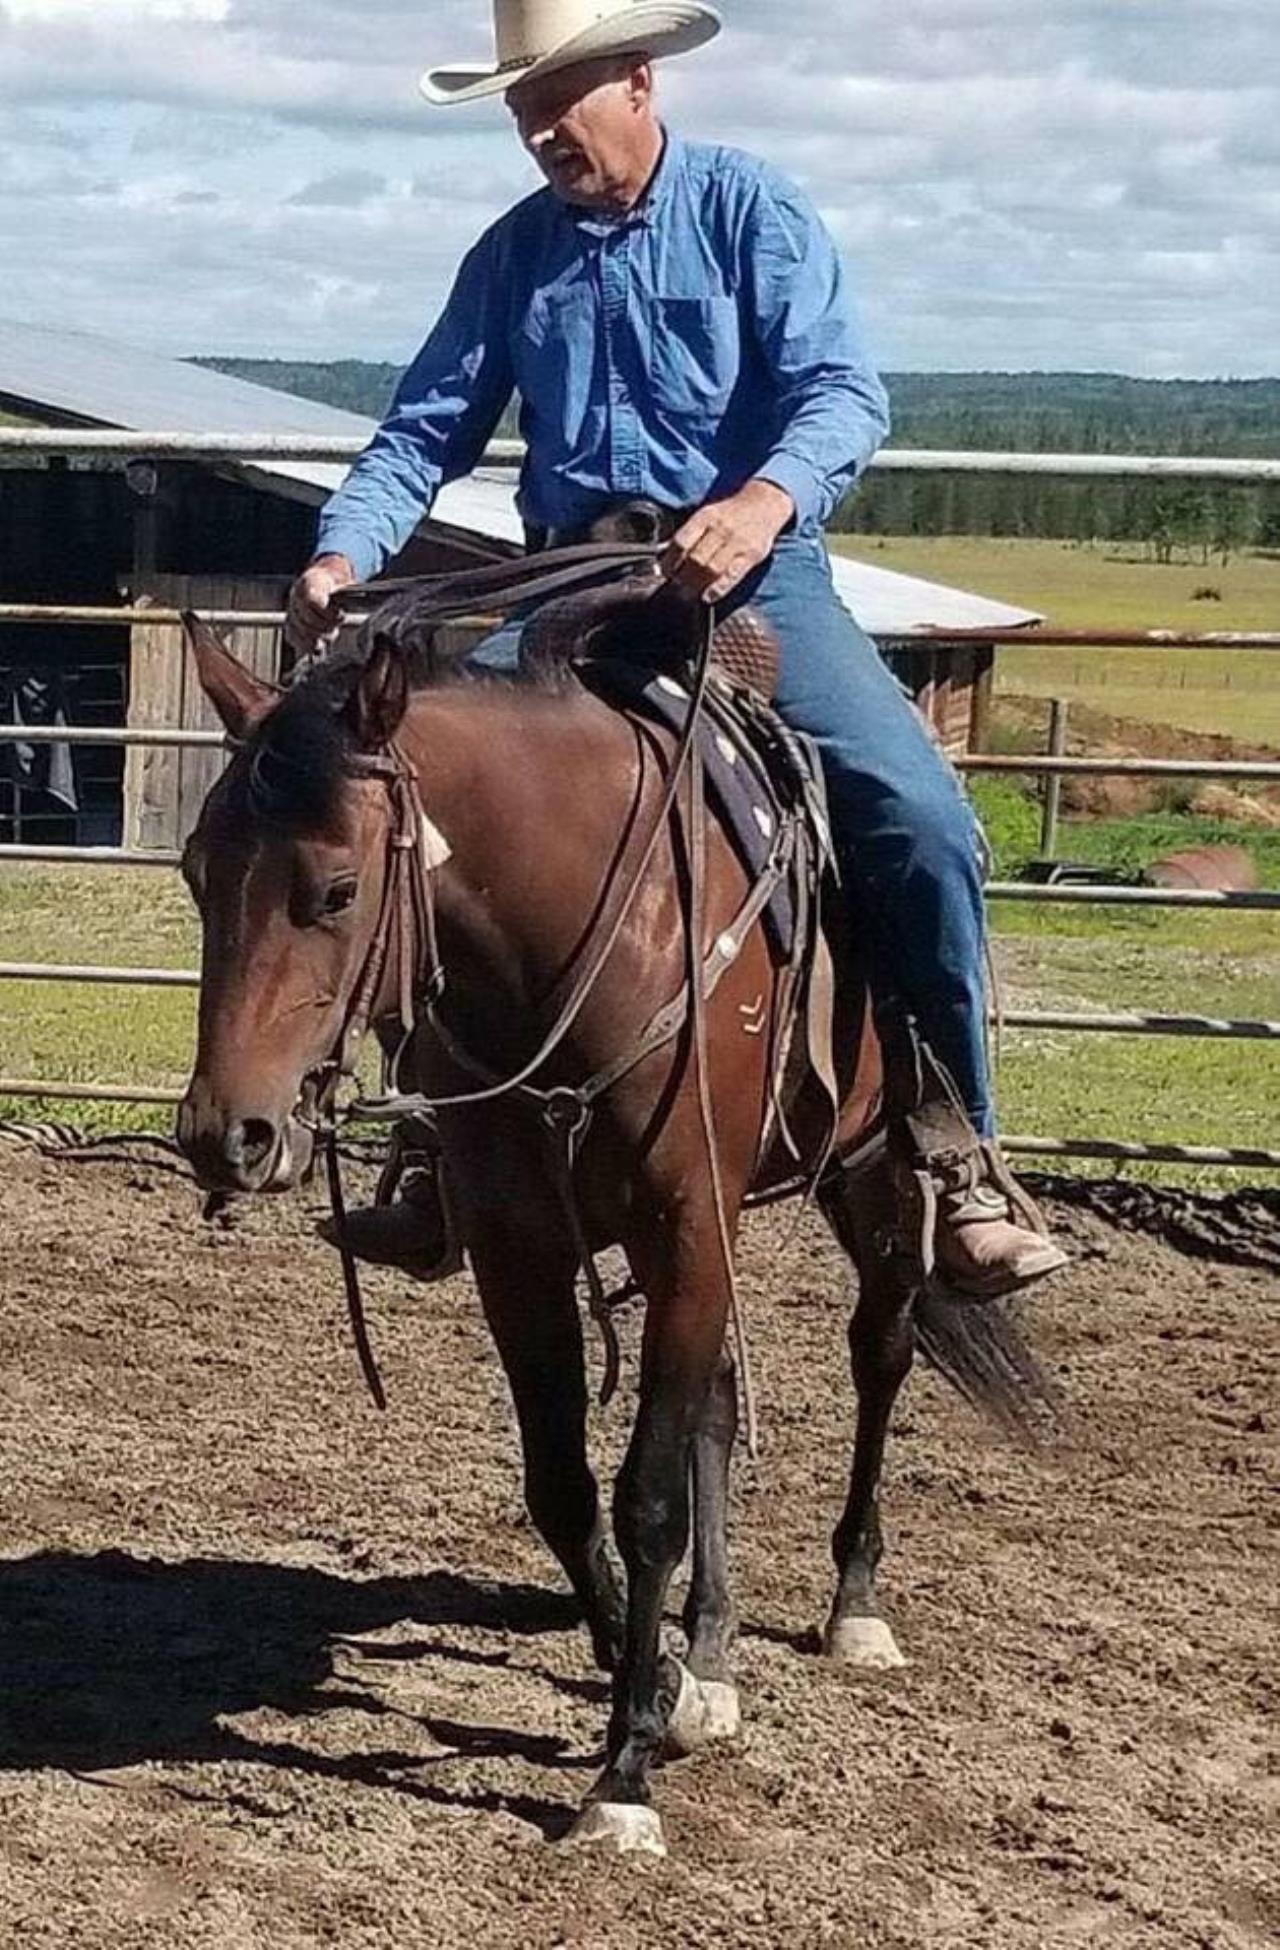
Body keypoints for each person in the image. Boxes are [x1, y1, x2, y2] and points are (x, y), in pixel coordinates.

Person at [287, 0, 1066, 1296]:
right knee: (409, 793)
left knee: (920, 815)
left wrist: (759, 500)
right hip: (569, 582)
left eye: (561, 97)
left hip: (754, 579)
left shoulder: (752, 213)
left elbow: (840, 393)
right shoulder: (509, 258)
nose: (539, 129)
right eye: (523, 108)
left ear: (640, 80)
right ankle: (433, 1143)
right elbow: (421, 434)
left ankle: (952, 1144)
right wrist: (341, 553)